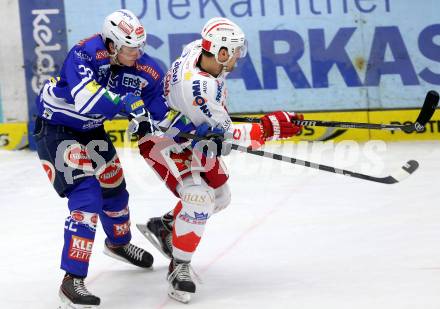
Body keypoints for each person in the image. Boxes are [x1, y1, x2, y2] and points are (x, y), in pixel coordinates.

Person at [136, 17, 303, 303]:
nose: (239, 55)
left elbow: (215, 125)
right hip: (163, 141)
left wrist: (215, 126)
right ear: (222, 52)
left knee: (221, 196)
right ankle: (180, 267)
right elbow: (229, 136)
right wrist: (269, 128)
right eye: (236, 50)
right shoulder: (199, 90)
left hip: (188, 134)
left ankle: (165, 227)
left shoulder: (197, 51)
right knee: (199, 198)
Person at [33, 9, 171, 308]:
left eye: (139, 47)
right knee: (87, 198)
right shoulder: (83, 53)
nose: (136, 54)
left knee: (115, 190)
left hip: (92, 130)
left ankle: (118, 244)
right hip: (57, 128)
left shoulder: (144, 69)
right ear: (110, 44)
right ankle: (72, 280)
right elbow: (87, 99)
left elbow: (162, 112)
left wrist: (186, 125)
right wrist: (130, 105)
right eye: (128, 48)